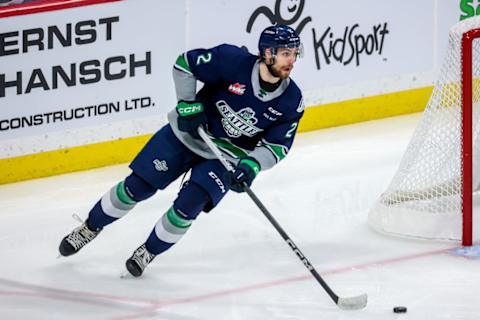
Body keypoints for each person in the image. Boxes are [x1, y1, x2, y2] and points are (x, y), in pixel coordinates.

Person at [58, 25, 305, 277]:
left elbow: (277, 146)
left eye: (295, 53)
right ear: (267, 53)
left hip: (226, 157)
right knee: (137, 187)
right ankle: (90, 227)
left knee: (189, 207)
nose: (292, 60)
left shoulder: (292, 100)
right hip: (187, 134)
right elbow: (185, 64)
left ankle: (148, 251)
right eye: (286, 53)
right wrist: (187, 104)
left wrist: (251, 166)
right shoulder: (232, 60)